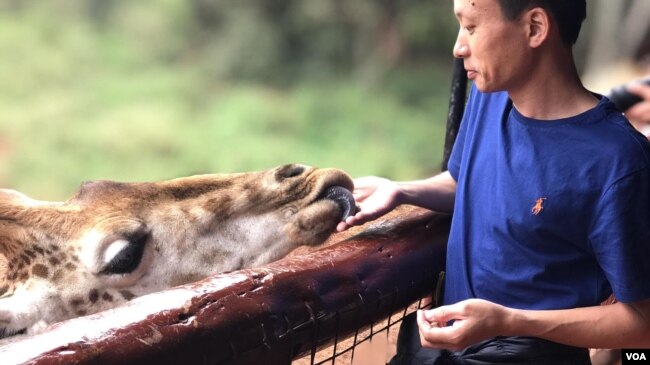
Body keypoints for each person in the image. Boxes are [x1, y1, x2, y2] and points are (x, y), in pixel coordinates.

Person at [337, 0, 650, 364]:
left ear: (534, 27)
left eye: (471, 28)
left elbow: (641, 322)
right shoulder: (489, 99)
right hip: (443, 351)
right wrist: (404, 189)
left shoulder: (618, 161)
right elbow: (466, 182)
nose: (459, 47)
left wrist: (508, 321)